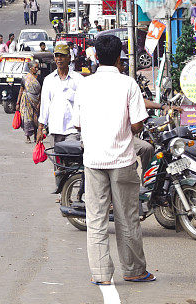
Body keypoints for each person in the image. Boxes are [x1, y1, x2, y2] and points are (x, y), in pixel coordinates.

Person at [73, 34, 153, 287]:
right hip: (122, 159)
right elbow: (138, 124)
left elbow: (77, 122)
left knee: (96, 218)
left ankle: (100, 274)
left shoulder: (84, 85)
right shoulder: (128, 84)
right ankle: (134, 270)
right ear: (119, 58)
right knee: (127, 218)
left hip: (94, 159)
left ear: (95, 56)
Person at [37, 43, 82, 192]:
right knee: (59, 164)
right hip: (55, 129)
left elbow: (84, 104)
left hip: (73, 129)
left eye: (62, 56)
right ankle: (61, 190)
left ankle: (70, 191)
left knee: (72, 163)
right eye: (57, 56)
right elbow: (45, 105)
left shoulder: (78, 79)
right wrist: (40, 127)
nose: (59, 59)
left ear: (69, 58)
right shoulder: (49, 80)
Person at [16, 60, 41, 143]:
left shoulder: (40, 78)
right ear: (30, 68)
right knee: (27, 118)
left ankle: (35, 135)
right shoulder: (25, 78)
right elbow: (21, 90)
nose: (37, 69)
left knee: (35, 119)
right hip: (26, 101)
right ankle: (27, 137)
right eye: (35, 67)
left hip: (36, 100)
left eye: (38, 67)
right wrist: (18, 103)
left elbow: (42, 91)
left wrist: (40, 102)